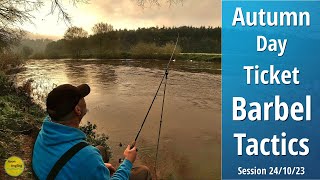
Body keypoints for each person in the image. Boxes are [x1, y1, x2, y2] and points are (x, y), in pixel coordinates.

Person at [32, 84, 152, 179]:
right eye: (81, 97)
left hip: (54, 170)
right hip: (70, 167)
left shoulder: (47, 126)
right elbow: (85, 158)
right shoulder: (87, 155)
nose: (84, 98)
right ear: (77, 110)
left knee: (100, 149)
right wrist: (128, 161)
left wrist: (96, 168)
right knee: (143, 172)